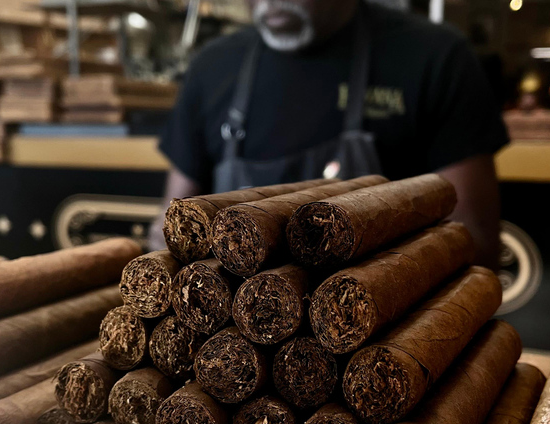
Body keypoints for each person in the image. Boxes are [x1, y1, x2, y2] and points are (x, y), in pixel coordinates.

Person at [153, 0, 508, 267]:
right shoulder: (212, 66)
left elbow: (473, 241)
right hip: (236, 343)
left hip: (379, 337)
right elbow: (172, 227)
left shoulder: (436, 57)